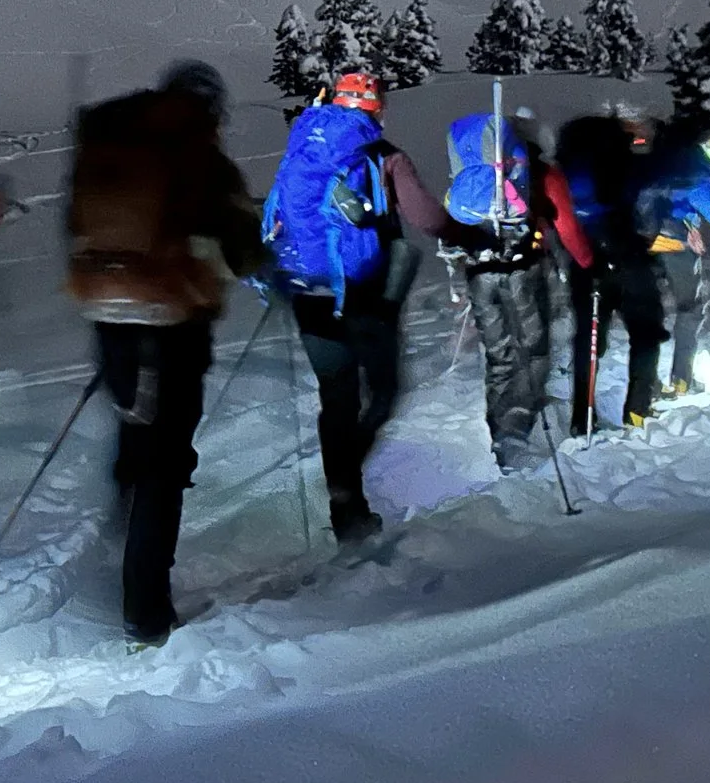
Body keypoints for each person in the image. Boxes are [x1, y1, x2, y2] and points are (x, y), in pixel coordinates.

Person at [64, 61, 263, 644]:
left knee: (136, 434)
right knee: (164, 464)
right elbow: (241, 250)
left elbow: (74, 224)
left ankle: (116, 547)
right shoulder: (201, 156)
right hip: (170, 319)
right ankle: (145, 610)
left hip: (106, 311)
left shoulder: (110, 143)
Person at [268, 71, 488, 543]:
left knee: (337, 397)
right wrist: (470, 235)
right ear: (375, 108)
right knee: (384, 391)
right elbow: (426, 217)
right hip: (365, 296)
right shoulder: (386, 156)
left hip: (310, 293)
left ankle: (345, 505)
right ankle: (347, 484)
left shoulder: (304, 149)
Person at [440, 106, 594, 468]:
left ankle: (498, 430)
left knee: (499, 354)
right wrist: (588, 263)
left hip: (480, 273)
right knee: (533, 350)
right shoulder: (543, 174)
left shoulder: (474, 174)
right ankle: (515, 432)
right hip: (524, 270)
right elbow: (568, 228)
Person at [554, 108, 671, 434]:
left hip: (584, 260)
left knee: (589, 338)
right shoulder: (625, 160)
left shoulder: (569, 166)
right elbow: (650, 198)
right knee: (645, 331)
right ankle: (637, 411)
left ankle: (582, 418)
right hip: (628, 257)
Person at [639, 121, 710, 398]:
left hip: (641, 241)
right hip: (675, 241)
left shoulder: (656, 162)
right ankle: (682, 380)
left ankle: (644, 385)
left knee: (646, 312)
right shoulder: (694, 169)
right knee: (690, 307)